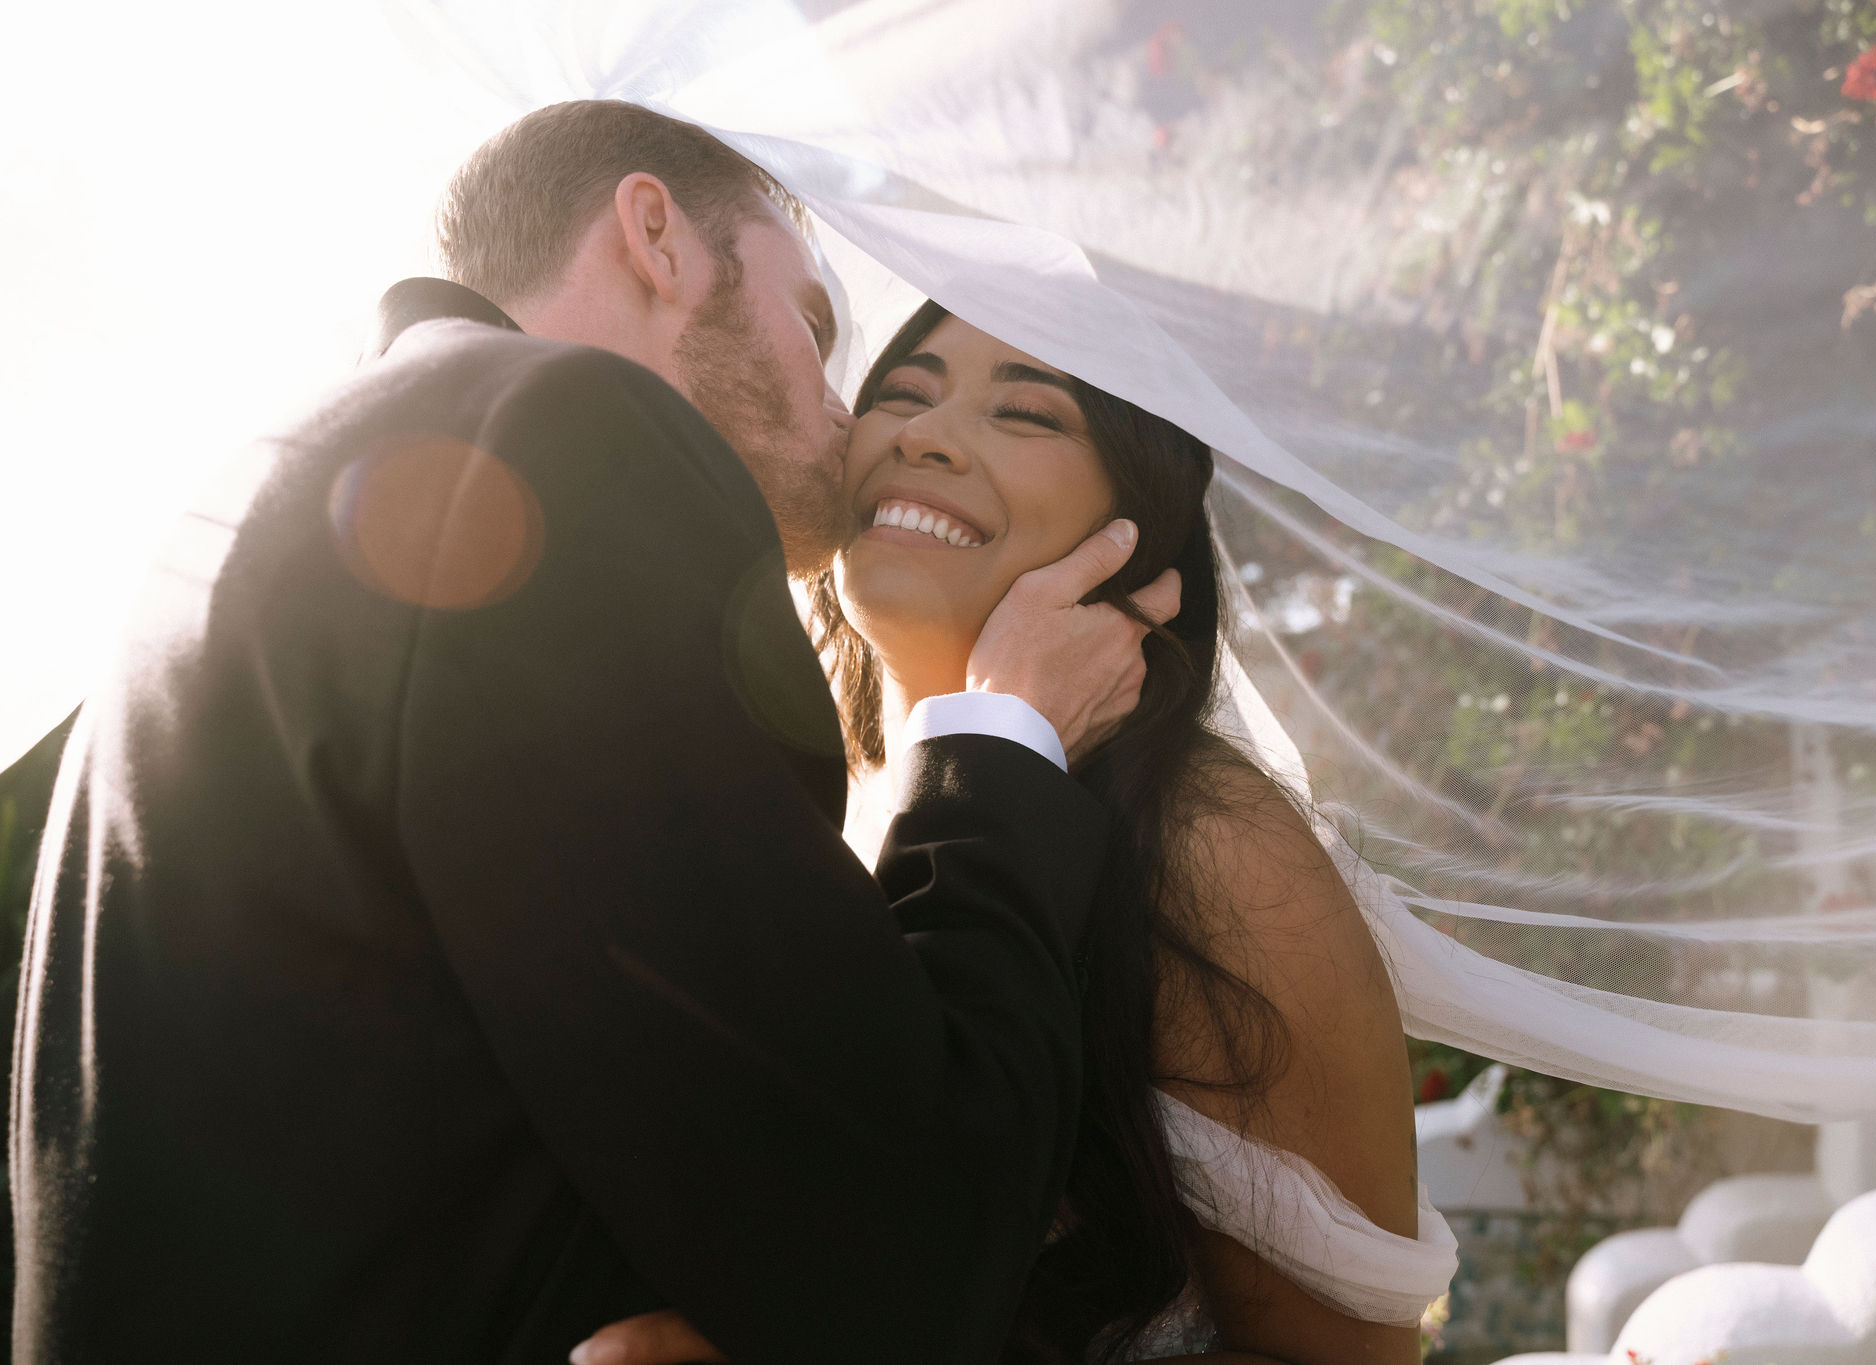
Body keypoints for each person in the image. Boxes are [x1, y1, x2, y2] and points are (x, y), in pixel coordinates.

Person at [10, 102, 1179, 1364]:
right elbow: (898, 1246)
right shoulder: (570, 434)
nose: (849, 423)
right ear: (655, 239)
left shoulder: (263, 493)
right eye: (815, 327)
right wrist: (999, 744)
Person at [574, 305, 1458, 1365]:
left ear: (1135, 528)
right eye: (902, 392)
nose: (923, 433)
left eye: (1025, 413)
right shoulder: (786, 809)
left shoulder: (1205, 847)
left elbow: (1352, 1362)